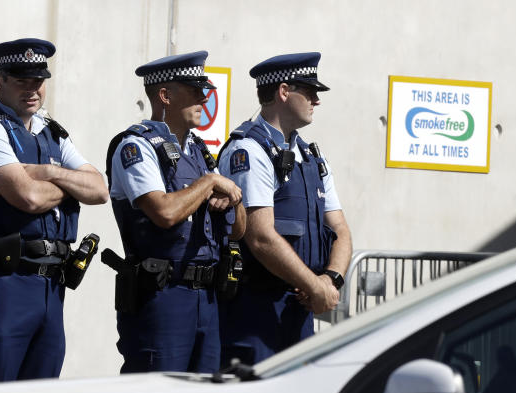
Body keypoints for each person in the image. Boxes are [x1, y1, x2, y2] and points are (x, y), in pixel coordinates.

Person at [0, 38, 108, 384]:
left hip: (52, 286)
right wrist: (70, 186)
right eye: (21, 80)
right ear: (0, 80)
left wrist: (50, 173)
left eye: (37, 81)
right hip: (5, 283)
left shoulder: (51, 131)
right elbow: (28, 198)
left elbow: (99, 190)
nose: (32, 90)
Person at [105, 51, 245, 374]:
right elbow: (164, 213)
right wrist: (210, 183)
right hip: (162, 297)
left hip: (206, 301)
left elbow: (238, 232)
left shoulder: (199, 152)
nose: (203, 96)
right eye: (194, 89)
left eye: (203, 89)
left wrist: (234, 202)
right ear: (165, 95)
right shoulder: (136, 147)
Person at [218, 52, 352, 366]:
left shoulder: (311, 158)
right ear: (283, 92)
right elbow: (261, 237)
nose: (316, 100)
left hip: (300, 306)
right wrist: (314, 286)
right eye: (309, 91)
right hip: (255, 311)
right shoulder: (249, 150)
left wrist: (330, 281)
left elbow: (341, 230)